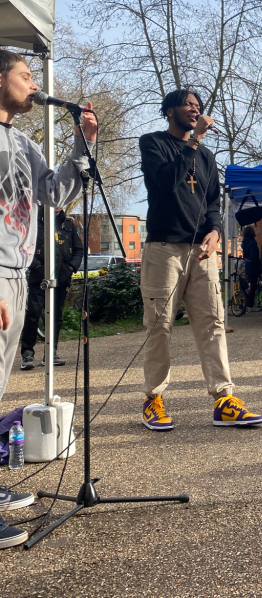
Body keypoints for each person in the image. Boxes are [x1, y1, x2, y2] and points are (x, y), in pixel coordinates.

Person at [0, 49, 97, 547]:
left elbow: (56, 194)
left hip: (17, 269)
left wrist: (82, 143)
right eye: (24, 74)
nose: (34, 84)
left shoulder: (21, 140)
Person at [138, 88, 262, 431]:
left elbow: (212, 201)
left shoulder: (206, 155)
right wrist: (194, 140)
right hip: (164, 248)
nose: (195, 110)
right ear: (170, 110)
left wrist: (215, 232)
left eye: (198, 106)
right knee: (160, 325)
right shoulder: (153, 143)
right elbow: (165, 183)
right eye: (188, 105)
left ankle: (224, 399)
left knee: (213, 323)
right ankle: (153, 398)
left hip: (202, 251)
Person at [20, 208, 83, 368]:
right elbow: (24, 246)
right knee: (33, 314)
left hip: (61, 278)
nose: (57, 205)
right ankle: (27, 353)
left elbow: (78, 250)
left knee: (56, 316)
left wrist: (70, 268)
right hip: (39, 278)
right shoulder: (34, 222)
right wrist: (36, 266)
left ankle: (51, 352)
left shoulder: (68, 225)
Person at [240, 225, 260, 310]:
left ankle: (247, 302)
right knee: (253, 286)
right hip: (253, 266)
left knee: (250, 285)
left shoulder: (244, 242)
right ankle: (250, 304)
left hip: (248, 266)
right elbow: (254, 255)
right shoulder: (252, 243)